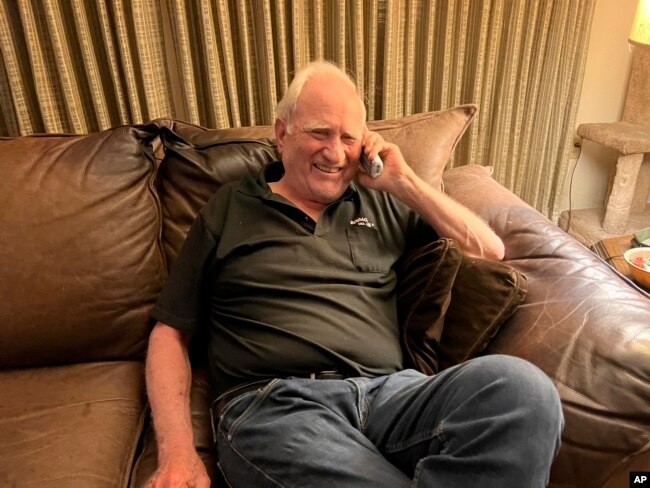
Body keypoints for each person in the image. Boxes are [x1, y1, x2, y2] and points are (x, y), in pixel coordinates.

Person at [145, 60, 563, 488]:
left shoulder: (382, 203)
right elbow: (169, 333)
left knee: (523, 391)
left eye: (349, 137)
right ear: (282, 132)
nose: (335, 152)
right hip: (277, 407)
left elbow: (488, 250)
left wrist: (403, 182)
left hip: (391, 395)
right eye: (319, 132)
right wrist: (177, 452)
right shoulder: (229, 207)